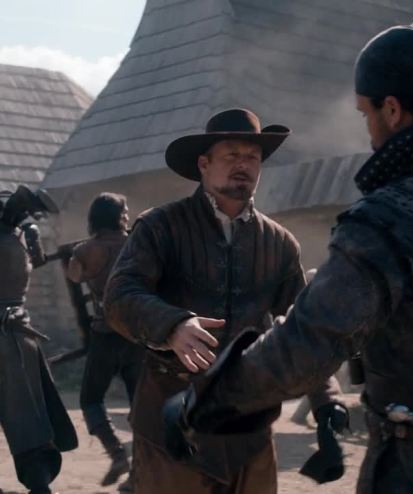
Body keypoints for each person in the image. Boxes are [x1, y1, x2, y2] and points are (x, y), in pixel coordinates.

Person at [165, 27, 413, 494]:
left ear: (392, 110)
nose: (369, 130)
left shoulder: (386, 220)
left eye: (365, 113)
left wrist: (204, 400)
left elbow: (304, 344)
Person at [103, 108, 344, 494]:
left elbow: (304, 328)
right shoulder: (160, 226)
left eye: (252, 157)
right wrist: (173, 325)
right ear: (204, 164)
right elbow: (119, 296)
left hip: (248, 421)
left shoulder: (280, 243)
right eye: (231, 155)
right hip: (171, 417)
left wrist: (327, 400)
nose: (243, 165)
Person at [0, 185, 78, 494]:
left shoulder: (15, 237)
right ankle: (38, 480)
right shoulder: (20, 238)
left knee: (25, 415)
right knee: (27, 414)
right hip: (18, 333)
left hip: (12, 334)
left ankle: (38, 481)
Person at [67, 192, 143, 488]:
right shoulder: (137, 243)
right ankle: (138, 472)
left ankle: (116, 453)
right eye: (124, 211)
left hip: (105, 334)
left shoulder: (86, 250)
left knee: (90, 399)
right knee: (140, 405)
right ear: (117, 217)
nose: (127, 215)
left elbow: (74, 276)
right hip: (136, 334)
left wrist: (80, 256)